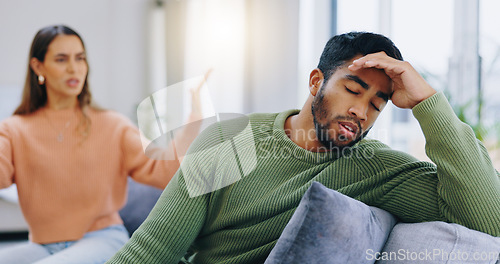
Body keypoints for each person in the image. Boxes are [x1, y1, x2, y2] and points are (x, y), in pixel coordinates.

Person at [106, 32, 500, 264]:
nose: (360, 112)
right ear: (316, 82)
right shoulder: (229, 140)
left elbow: (490, 222)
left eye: (377, 104)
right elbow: (153, 248)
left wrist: (429, 103)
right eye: (352, 90)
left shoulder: (376, 168)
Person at [0, 24, 204, 264]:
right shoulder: (13, 129)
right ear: (38, 66)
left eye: (80, 58)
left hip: (103, 239)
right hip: (42, 245)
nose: (74, 68)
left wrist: (194, 120)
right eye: (61, 59)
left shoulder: (112, 125)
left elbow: (164, 170)